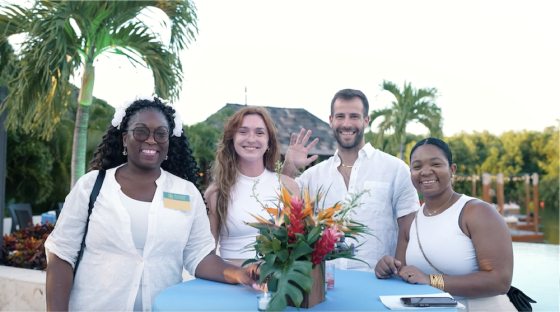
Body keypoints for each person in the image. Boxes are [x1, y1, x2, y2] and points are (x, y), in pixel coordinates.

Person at [45, 96, 259, 312]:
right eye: (140, 131)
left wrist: (239, 273)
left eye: (160, 134)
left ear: (169, 141)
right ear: (124, 138)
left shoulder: (186, 193)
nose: (151, 140)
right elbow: (62, 254)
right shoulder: (91, 186)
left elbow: (200, 255)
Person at [281, 89, 420, 272]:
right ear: (331, 121)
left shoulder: (395, 169)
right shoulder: (314, 175)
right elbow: (283, 206)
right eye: (340, 116)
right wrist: (289, 166)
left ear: (366, 120)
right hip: (326, 285)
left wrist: (398, 271)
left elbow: (409, 231)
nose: (346, 124)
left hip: (380, 282)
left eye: (354, 116)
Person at [375, 137, 515, 311]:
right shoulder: (410, 222)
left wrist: (431, 279)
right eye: (417, 167)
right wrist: (387, 269)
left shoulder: (477, 212)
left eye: (435, 164)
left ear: (452, 169)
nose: (425, 172)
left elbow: (500, 281)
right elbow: (404, 274)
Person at [205, 106, 299, 267]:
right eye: (243, 131)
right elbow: (207, 254)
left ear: (269, 142)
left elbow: (300, 246)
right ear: (231, 139)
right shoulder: (216, 192)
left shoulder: (289, 186)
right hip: (231, 284)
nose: (251, 138)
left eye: (259, 132)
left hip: (278, 284)